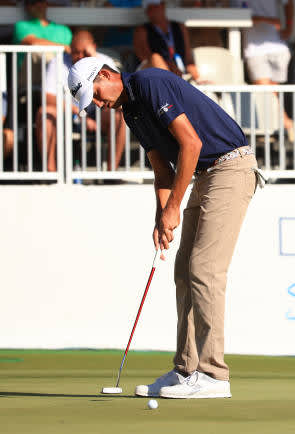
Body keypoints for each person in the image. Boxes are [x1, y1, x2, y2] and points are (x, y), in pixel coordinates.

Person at [68, 57, 261, 398]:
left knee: (205, 269)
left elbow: (191, 144)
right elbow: (162, 170)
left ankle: (214, 375)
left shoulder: (149, 83)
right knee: (185, 271)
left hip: (231, 168)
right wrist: (162, 216)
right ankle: (186, 369)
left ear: (107, 74)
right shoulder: (132, 112)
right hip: (205, 175)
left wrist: (174, 208)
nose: (98, 104)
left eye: (96, 94)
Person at [36, 30, 126, 172]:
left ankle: (111, 173)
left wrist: (93, 58)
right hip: (67, 115)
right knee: (45, 112)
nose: (79, 57)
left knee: (119, 116)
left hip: (98, 114)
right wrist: (79, 114)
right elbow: (48, 98)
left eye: (84, 52)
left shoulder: (104, 62)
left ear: (93, 48)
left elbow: (119, 93)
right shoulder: (58, 62)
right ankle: (51, 173)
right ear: (70, 49)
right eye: (75, 52)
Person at [237, 0, 295, 140]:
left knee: (270, 95)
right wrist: (267, 20)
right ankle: (286, 124)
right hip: (255, 51)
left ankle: (274, 129)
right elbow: (240, 17)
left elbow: (288, 3)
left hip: (278, 48)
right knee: (267, 93)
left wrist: (289, 27)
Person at [133, 0, 203, 83]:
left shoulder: (180, 27)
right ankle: (170, 84)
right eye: (148, 8)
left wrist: (198, 79)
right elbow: (146, 59)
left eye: (155, 6)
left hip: (179, 74)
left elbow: (188, 60)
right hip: (152, 75)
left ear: (163, 5)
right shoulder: (142, 31)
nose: (151, 11)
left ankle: (172, 84)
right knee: (156, 58)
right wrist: (169, 66)